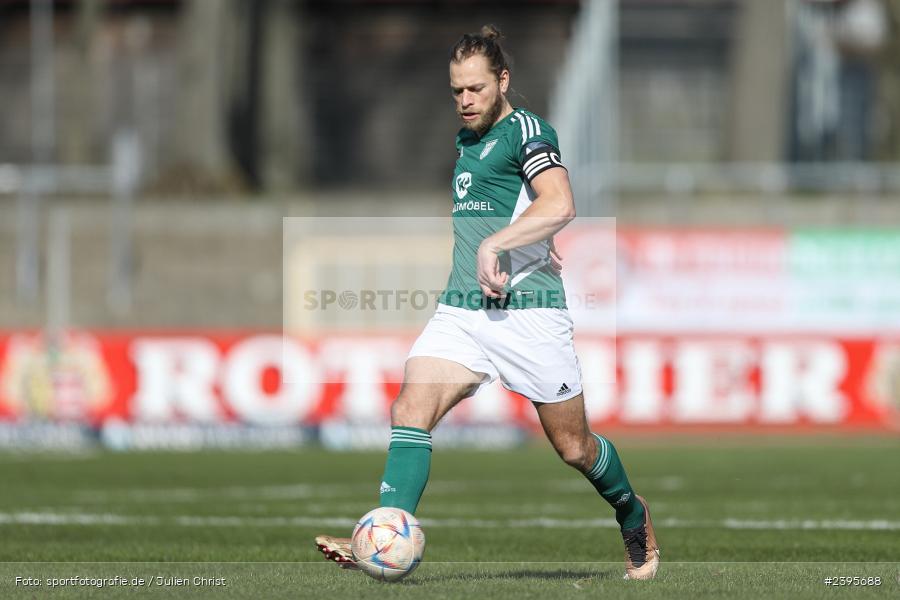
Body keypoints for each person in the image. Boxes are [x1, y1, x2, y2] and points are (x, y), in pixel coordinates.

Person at [315, 24, 659, 581]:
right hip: (464, 310)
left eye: (476, 88)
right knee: (410, 410)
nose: (465, 100)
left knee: (573, 447)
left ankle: (630, 510)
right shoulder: (466, 140)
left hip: (531, 315)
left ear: (503, 80)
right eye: (456, 91)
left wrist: (502, 243)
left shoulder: (527, 129)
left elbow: (561, 203)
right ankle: (384, 534)